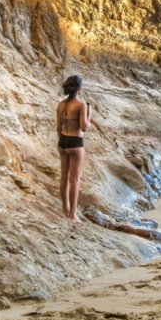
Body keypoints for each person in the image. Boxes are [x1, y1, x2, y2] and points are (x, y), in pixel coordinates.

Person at [55, 75, 96, 220]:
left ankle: (65, 209)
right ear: (79, 89)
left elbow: (58, 127)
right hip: (75, 142)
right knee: (75, 180)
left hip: (63, 142)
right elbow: (84, 127)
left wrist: (62, 143)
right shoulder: (81, 105)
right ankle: (73, 214)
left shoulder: (60, 104)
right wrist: (89, 114)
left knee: (64, 178)